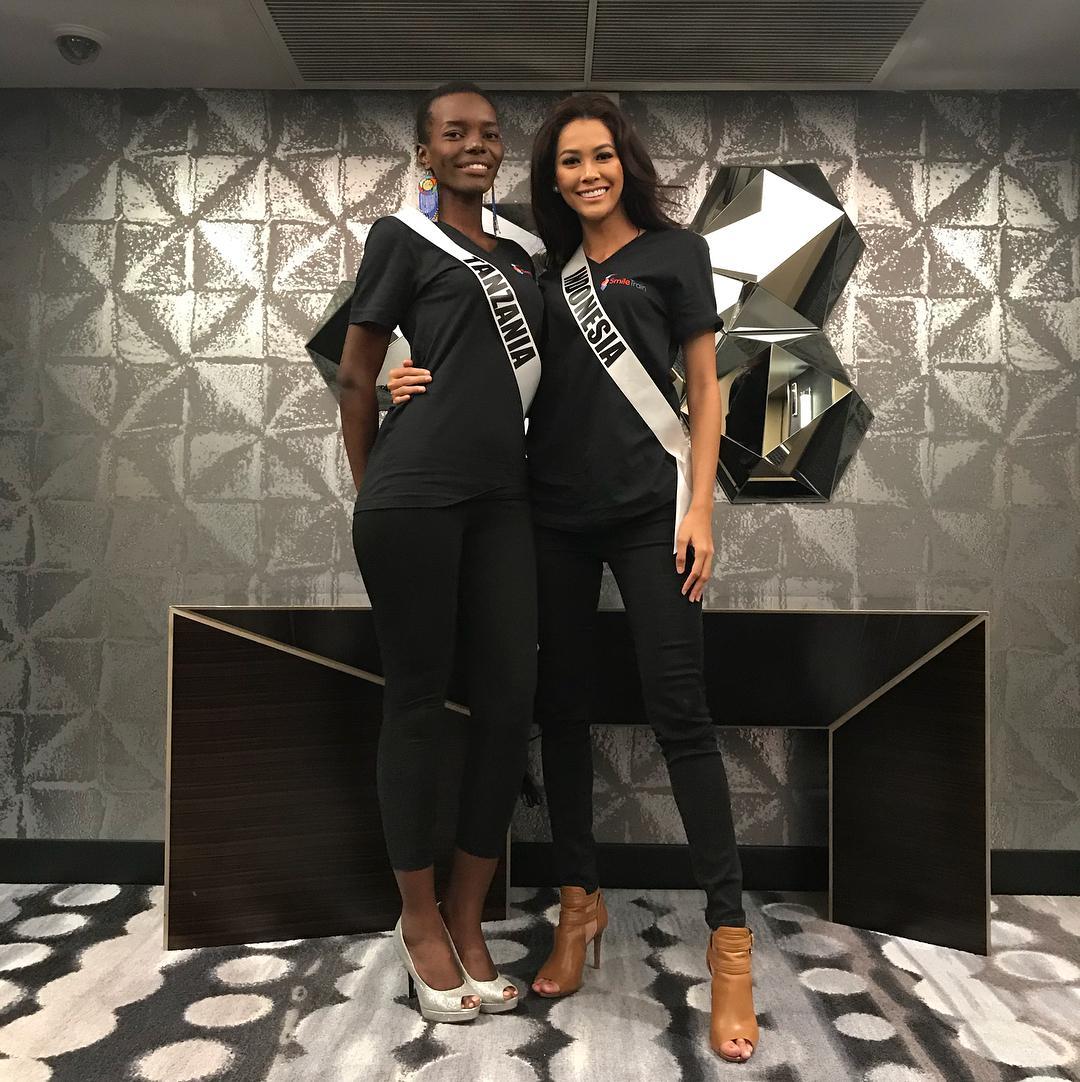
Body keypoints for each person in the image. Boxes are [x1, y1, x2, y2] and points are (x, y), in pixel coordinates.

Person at [387, 93, 759, 1061]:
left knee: (680, 711)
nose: (586, 173)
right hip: (549, 513)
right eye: (567, 161)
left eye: (600, 155)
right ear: (551, 178)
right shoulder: (539, 268)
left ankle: (730, 946)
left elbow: (704, 385)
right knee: (561, 712)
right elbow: (461, 346)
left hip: (647, 514)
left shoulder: (676, 254)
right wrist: (398, 372)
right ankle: (578, 905)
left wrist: (701, 507)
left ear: (624, 162)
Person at [338, 81, 542, 1024]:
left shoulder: (524, 255)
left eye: (489, 134)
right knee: (416, 704)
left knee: (507, 703)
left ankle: (468, 913)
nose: (476, 145)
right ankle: (418, 919)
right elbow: (356, 373)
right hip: (414, 496)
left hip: (505, 502)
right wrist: (371, 479)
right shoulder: (401, 238)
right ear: (425, 152)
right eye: (454, 133)